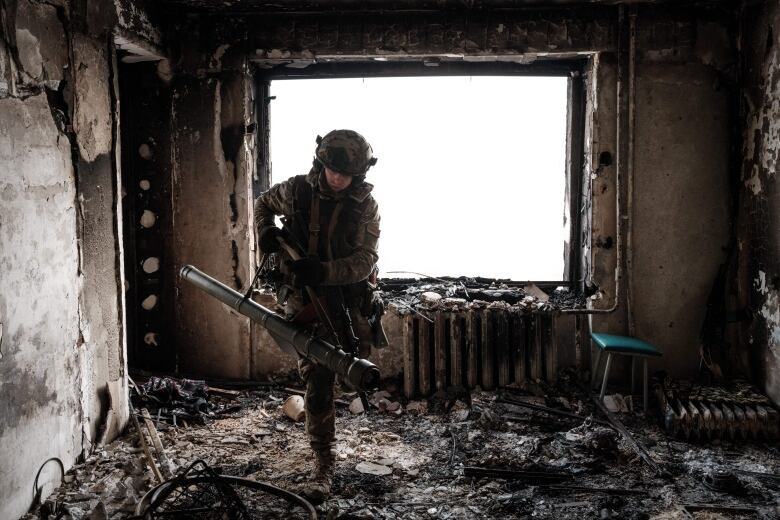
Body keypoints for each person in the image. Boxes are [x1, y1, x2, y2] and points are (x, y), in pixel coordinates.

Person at [254, 129, 385, 502]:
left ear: (358, 174)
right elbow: (263, 203)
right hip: (300, 297)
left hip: (343, 296)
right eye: (331, 170)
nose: (337, 178)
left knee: (352, 372)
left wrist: (325, 272)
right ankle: (323, 462)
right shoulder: (296, 190)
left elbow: (366, 260)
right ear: (320, 162)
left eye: (345, 174)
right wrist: (265, 229)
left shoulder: (365, 206)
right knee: (321, 374)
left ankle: (325, 446)